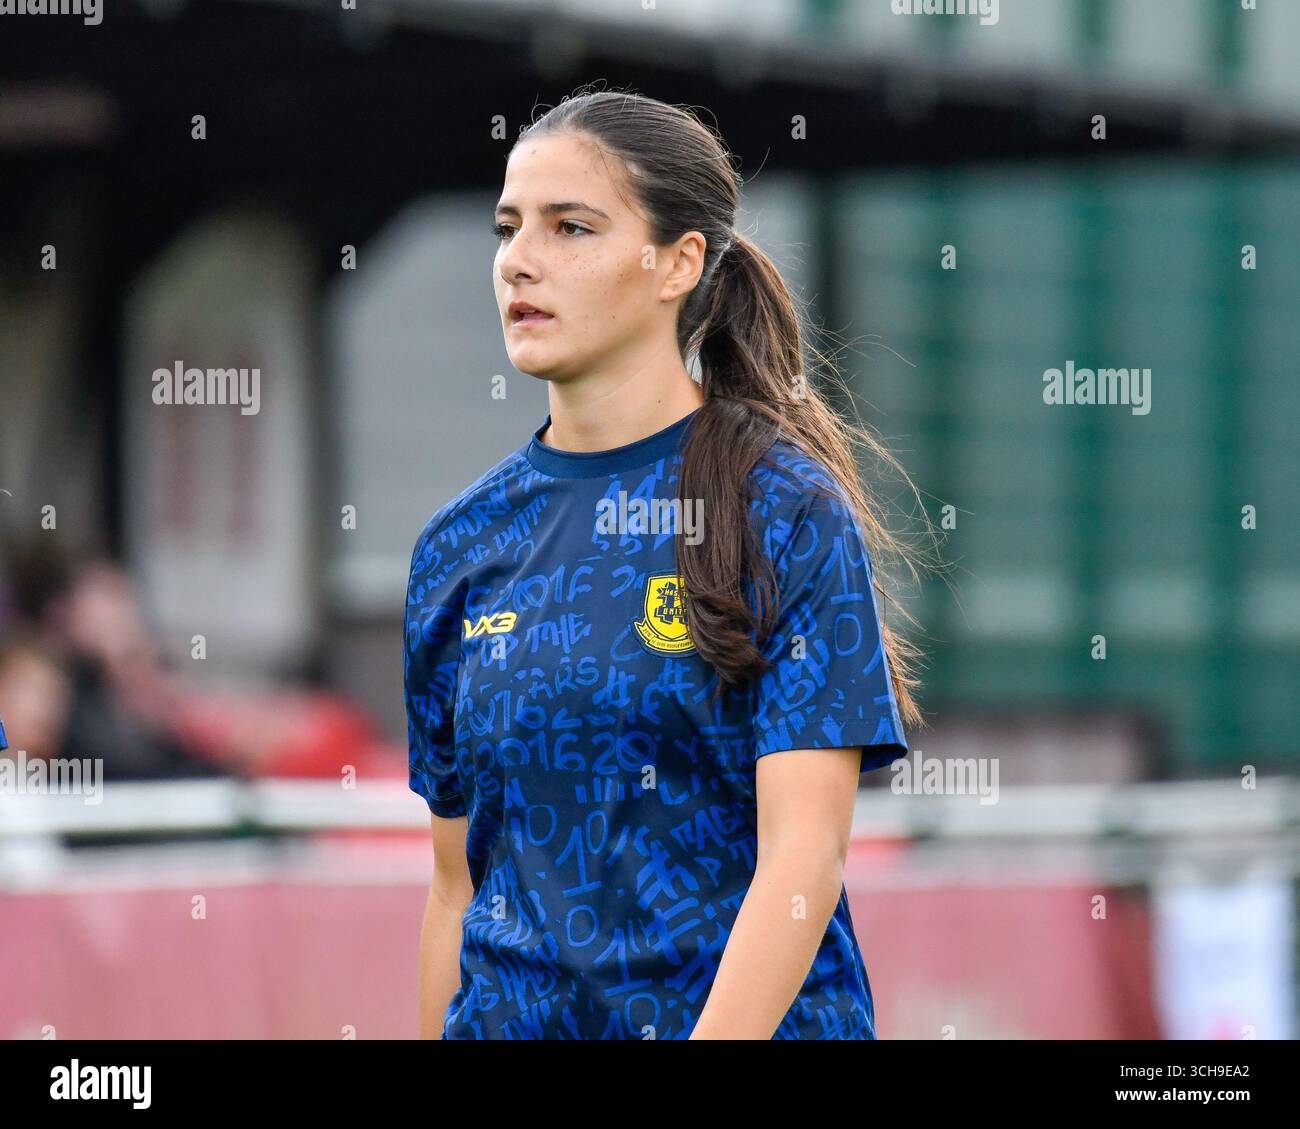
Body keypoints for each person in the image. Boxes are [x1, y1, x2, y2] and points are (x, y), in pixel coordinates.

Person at [406, 87, 933, 1040]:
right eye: (508, 226)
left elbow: (803, 859)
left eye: (572, 227)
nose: (520, 259)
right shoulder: (458, 545)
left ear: (677, 264)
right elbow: (454, 889)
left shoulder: (785, 510)